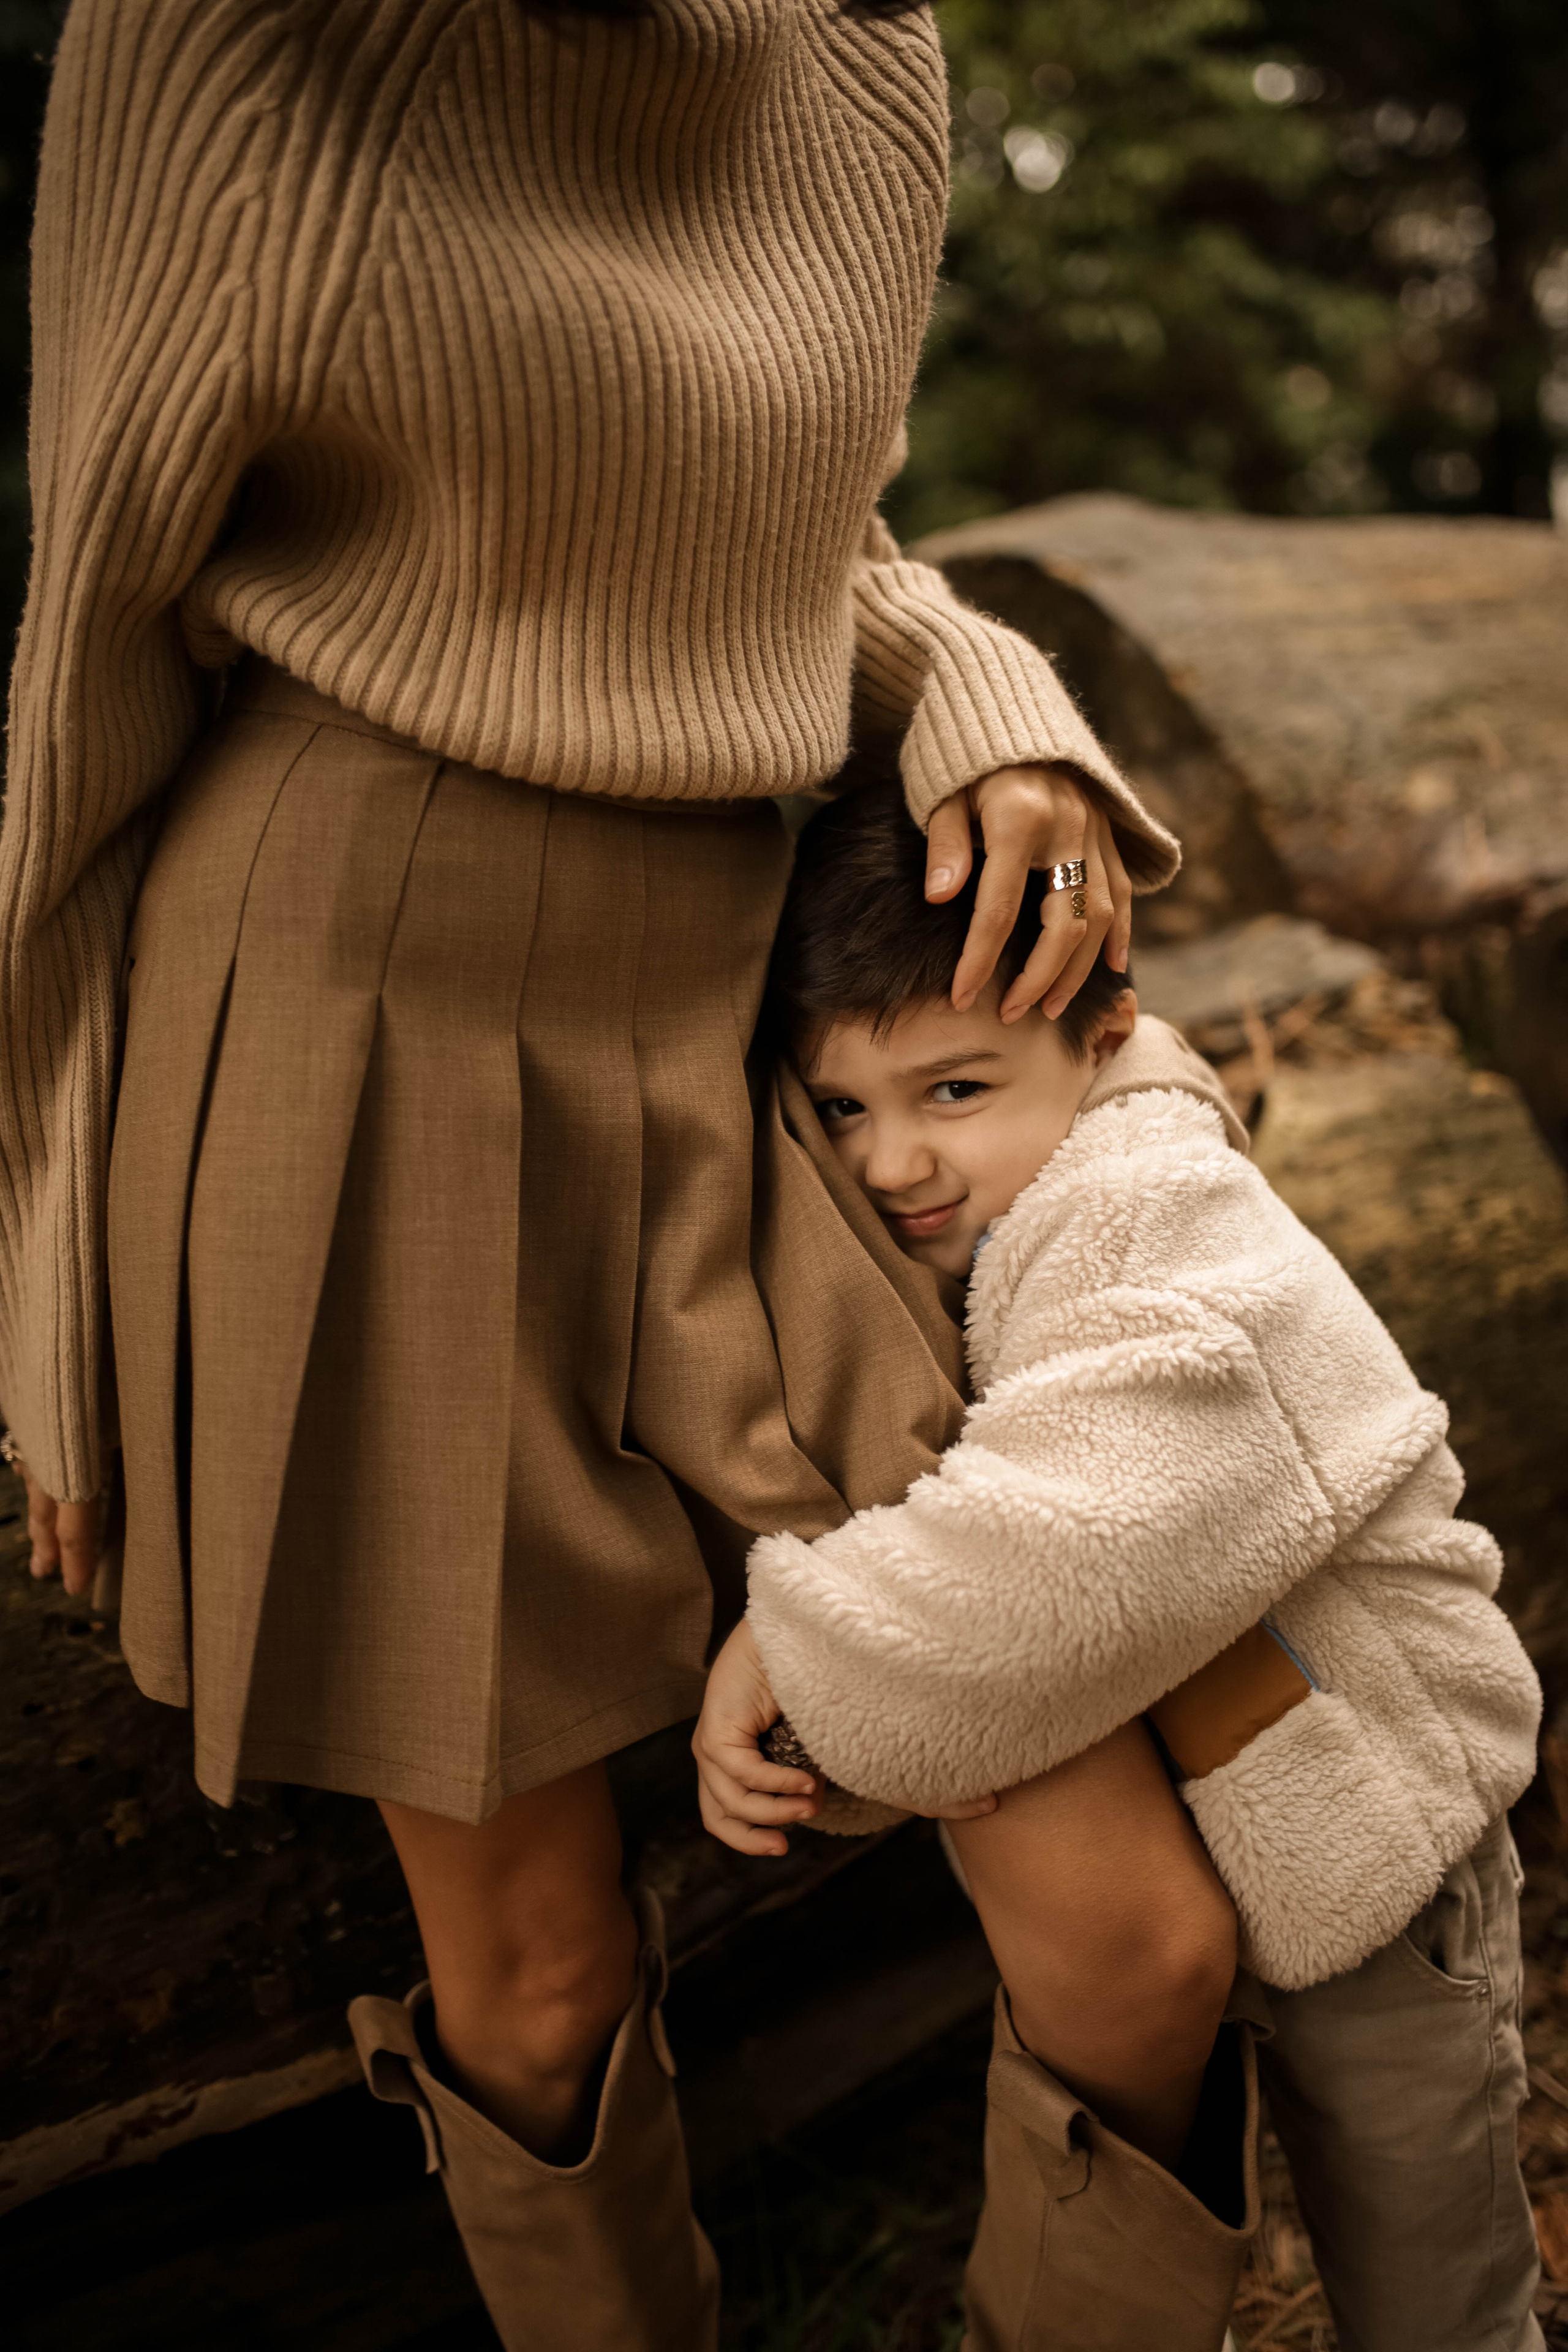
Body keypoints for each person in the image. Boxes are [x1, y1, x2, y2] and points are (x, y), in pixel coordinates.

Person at [1, 5, 1189, 2348]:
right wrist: (41, 1264)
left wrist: (981, 680)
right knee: (533, 1978)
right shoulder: (240, 31)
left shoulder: (858, 53)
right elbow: (86, 647)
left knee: (1137, 1926)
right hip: (344, 1007)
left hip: (746, 1016)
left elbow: (785, 539)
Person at [695, 780, 1545, 2352]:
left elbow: (1077, 1549)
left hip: (1380, 1834)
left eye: (952, 1090)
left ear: (1099, 1037)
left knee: (1436, 2297)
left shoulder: (1163, 1231)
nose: (890, 1165)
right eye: (840, 1112)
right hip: (1251, 1821)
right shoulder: (1030, 1211)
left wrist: (796, 1652)